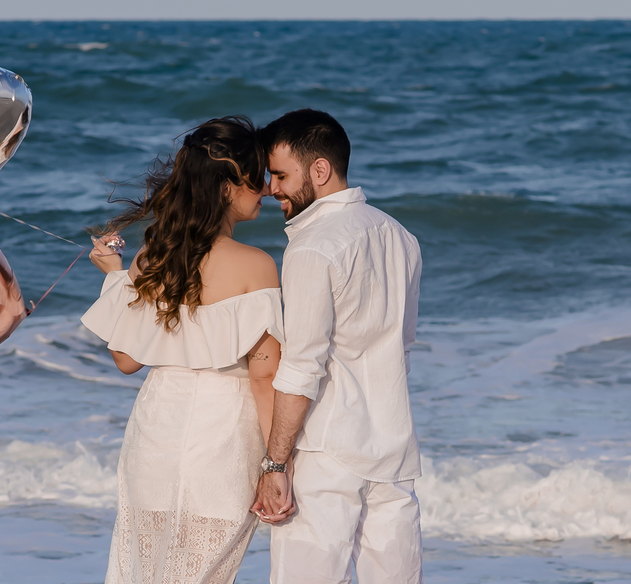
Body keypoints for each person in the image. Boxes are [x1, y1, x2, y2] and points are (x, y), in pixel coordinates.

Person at [81, 115, 284, 584]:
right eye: (258, 177)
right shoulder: (257, 265)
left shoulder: (153, 258)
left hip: (155, 428)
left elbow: (126, 360)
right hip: (223, 438)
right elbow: (264, 376)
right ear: (229, 185)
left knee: (144, 571)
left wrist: (115, 275)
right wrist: (278, 465)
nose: (269, 189)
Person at [253, 108, 423, 583]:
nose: (272, 188)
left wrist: (275, 465)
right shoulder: (401, 237)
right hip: (392, 445)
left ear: (320, 170)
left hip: (327, 453)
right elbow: (401, 346)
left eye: (281, 175)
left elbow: (302, 367)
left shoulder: (312, 246)